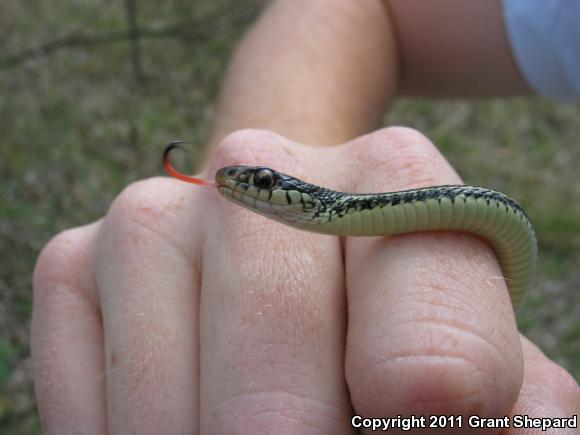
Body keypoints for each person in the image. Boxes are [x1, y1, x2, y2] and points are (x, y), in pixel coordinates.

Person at [32, 1, 579, 433]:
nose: (249, 184)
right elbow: (366, 7)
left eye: (266, 182)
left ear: (297, 196)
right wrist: (215, 265)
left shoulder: (341, 210)